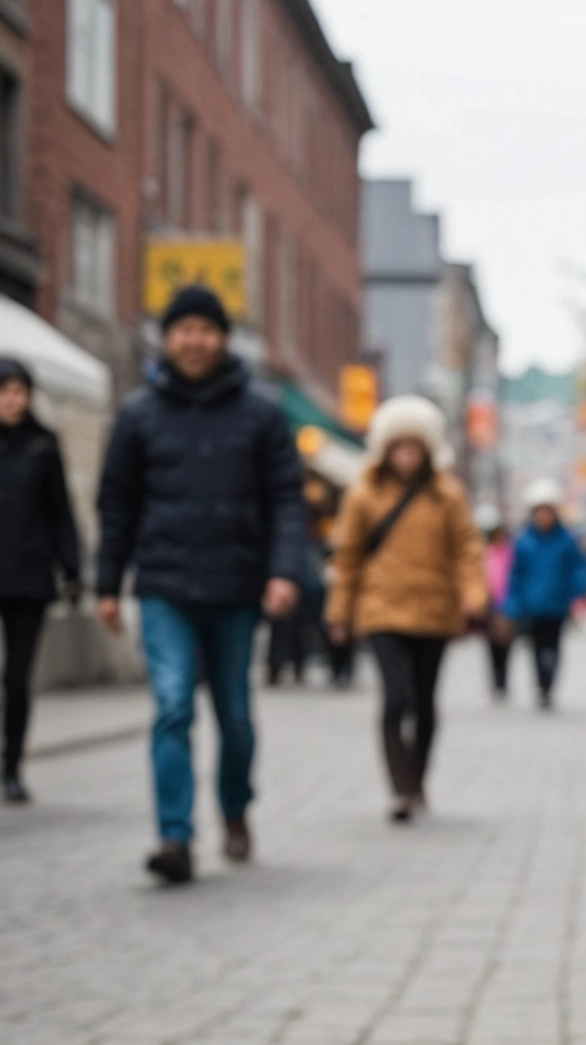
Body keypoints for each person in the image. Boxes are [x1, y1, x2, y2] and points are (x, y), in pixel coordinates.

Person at [97, 285, 303, 882]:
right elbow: (118, 505)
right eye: (183, 329)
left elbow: (286, 501)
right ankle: (175, 836)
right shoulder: (138, 415)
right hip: (164, 583)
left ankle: (235, 809)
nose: (195, 340)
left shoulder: (262, 412)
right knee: (172, 707)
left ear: (224, 338)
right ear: (167, 338)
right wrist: (108, 583)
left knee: (234, 715)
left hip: (237, 586)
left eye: (206, 329)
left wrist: (283, 571)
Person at [327, 395, 486, 823]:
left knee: (426, 702)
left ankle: (417, 780)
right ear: (386, 449)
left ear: (428, 449)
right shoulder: (365, 494)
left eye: (414, 447)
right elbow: (347, 556)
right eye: (400, 447)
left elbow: (467, 548)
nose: (407, 456)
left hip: (433, 613)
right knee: (395, 697)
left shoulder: (446, 495)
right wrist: (340, 612)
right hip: (382, 610)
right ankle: (399, 787)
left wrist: (474, 593)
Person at [0, 358, 81, 804]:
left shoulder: (43, 446)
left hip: (28, 578)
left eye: (20, 391)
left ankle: (11, 766)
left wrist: (72, 570)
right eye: (5, 391)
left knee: (16, 679)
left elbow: (60, 513)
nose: (13, 399)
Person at [504, 480, 586, 710]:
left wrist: (578, 591)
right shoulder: (523, 541)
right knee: (535, 648)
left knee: (552, 647)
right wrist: (512, 603)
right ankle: (541, 684)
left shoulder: (566, 540)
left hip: (557, 604)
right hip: (532, 605)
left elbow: (578, 567)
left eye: (547, 511)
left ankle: (549, 684)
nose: (543, 517)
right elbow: (515, 574)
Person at [477, 504, 515, 699]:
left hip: (508, 604)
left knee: (506, 646)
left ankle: (504, 681)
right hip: (489, 605)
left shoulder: (510, 553)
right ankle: (496, 681)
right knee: (491, 646)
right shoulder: (484, 553)